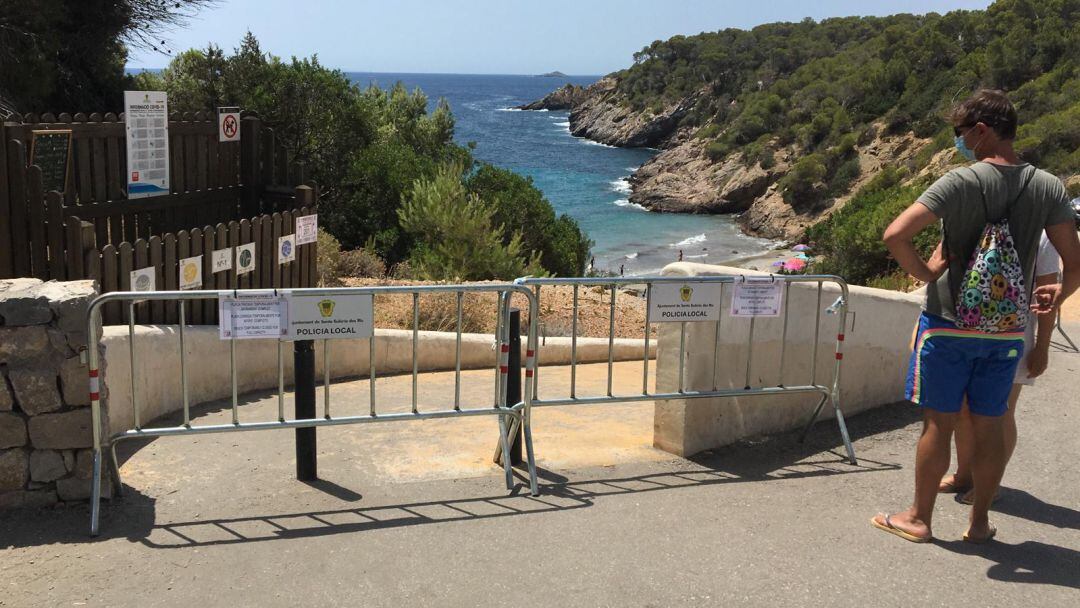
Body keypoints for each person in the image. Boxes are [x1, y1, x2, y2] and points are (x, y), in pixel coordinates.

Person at [872, 90, 1080, 544]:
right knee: (989, 426)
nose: (959, 142)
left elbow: (895, 234)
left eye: (961, 133)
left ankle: (918, 519)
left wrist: (927, 272)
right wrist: (1055, 294)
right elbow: (1074, 262)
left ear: (982, 130)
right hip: (1006, 331)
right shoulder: (1048, 186)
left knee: (939, 423)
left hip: (949, 325)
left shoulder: (960, 182)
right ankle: (980, 523)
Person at [939, 234, 1060, 505]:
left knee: (1000, 412)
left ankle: (989, 485)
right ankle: (964, 475)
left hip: (1015, 338)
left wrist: (1042, 347)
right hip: (970, 332)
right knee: (963, 409)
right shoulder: (984, 216)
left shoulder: (1043, 234)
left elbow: (1048, 294)